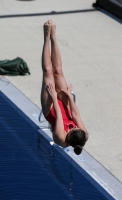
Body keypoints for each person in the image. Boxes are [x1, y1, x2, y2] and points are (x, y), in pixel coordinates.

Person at [41, 20, 89, 155]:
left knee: (48, 72)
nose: (74, 127)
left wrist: (54, 97)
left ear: (68, 135)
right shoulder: (83, 134)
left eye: (72, 129)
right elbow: (75, 114)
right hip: (66, 108)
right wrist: (68, 96)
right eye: (75, 128)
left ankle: (46, 37)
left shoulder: (60, 139)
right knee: (58, 71)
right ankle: (53, 36)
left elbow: (59, 118)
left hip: (51, 111)